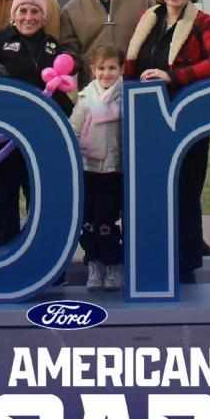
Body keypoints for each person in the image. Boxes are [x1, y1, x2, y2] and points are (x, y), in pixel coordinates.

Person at [125, 0, 210, 284]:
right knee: (152, 190)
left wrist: (174, 76)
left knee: (185, 192)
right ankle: (152, 257)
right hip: (150, 120)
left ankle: (185, 265)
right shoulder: (149, 20)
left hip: (187, 121)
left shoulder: (202, 22)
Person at [0, 0, 72, 248]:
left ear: (43, 16)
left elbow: (59, 86)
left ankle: (42, 252)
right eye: (23, 11)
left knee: (40, 191)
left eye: (35, 11)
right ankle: (2, 252)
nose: (29, 17)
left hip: (39, 134)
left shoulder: (52, 46)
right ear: (14, 15)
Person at [69, 43, 127, 291]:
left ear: (122, 69)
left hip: (114, 171)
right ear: (92, 70)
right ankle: (93, 263)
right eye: (101, 68)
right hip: (88, 169)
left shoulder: (127, 99)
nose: (106, 73)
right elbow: (74, 129)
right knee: (89, 222)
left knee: (107, 221)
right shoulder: (85, 100)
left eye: (112, 68)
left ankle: (114, 264)